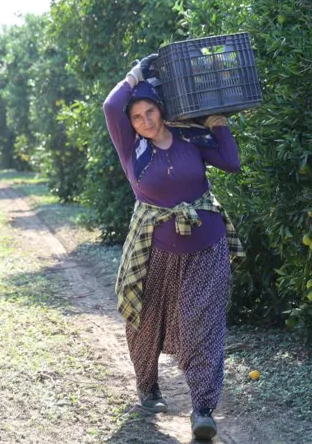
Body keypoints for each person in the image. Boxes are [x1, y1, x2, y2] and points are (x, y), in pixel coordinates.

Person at [103, 53, 245, 441]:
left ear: (162, 111)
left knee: (201, 320)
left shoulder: (189, 138)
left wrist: (218, 123)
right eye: (137, 117)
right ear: (130, 124)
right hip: (156, 248)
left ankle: (202, 409)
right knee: (144, 320)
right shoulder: (131, 150)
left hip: (207, 244)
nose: (145, 121)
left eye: (150, 112)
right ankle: (148, 387)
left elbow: (231, 162)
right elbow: (111, 105)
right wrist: (135, 75)